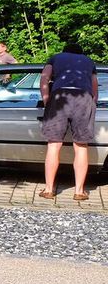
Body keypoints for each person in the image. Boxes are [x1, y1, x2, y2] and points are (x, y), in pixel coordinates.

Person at [39, 42, 98, 201]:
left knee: (54, 144)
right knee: (81, 146)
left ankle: (49, 189)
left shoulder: (56, 58)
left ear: (64, 51)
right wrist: (92, 105)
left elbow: (44, 80)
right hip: (83, 98)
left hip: (60, 97)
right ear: (81, 52)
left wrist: (47, 101)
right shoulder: (88, 61)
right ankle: (79, 191)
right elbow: (94, 88)